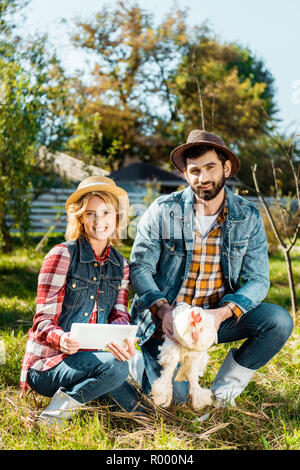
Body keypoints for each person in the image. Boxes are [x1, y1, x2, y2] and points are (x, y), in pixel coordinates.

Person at [129, 130, 293, 407]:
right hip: (166, 324)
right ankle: (138, 364)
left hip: (213, 318)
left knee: (278, 321)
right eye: (194, 170)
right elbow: (140, 267)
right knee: (174, 403)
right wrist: (164, 310)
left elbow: (258, 279)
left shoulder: (247, 216)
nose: (202, 178)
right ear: (185, 173)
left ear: (226, 168)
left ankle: (223, 392)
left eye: (210, 168)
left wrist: (220, 315)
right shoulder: (162, 210)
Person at [20, 175, 144, 423]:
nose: (100, 221)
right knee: (117, 369)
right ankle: (54, 415)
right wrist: (62, 338)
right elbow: (42, 322)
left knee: (139, 412)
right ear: (80, 217)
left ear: (116, 217)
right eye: (91, 213)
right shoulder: (62, 255)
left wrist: (123, 340)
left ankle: (85, 393)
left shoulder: (121, 265)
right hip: (49, 365)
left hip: (93, 361)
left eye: (106, 212)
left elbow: (119, 314)